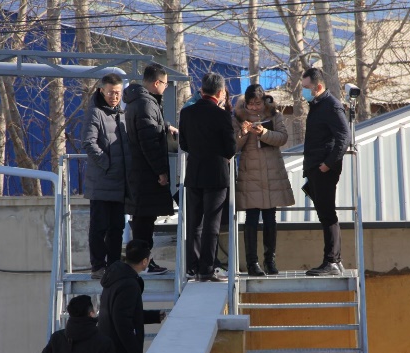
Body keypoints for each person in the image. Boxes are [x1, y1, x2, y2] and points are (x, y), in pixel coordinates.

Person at [179, 73, 236, 282]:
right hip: (216, 174)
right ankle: (206, 269)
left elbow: (183, 144)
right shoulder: (222, 115)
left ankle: (191, 267)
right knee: (212, 223)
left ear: (202, 90)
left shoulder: (187, 113)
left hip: (194, 172)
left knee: (194, 223)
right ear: (220, 93)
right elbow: (231, 148)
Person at [232, 84, 295, 276]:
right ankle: (252, 263)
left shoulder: (274, 115)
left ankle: (270, 260)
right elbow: (233, 146)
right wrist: (243, 133)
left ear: (263, 101)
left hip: (271, 172)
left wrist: (263, 133)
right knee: (251, 218)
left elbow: (283, 138)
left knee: (270, 218)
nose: (254, 107)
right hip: (250, 174)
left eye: (257, 104)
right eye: (250, 104)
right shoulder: (237, 117)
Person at [123, 63, 177, 275]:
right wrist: (161, 171)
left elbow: (149, 127)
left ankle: (142, 261)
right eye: (164, 83)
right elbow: (149, 141)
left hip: (139, 172)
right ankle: (142, 263)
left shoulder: (138, 102)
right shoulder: (146, 104)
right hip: (146, 174)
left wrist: (165, 126)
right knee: (144, 221)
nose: (165, 87)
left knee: (142, 219)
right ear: (156, 83)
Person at [98, 239, 166, 353]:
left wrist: (154, 316)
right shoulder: (129, 283)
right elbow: (122, 321)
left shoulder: (117, 276)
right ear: (144, 261)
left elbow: (124, 313)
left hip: (110, 346)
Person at [301, 67, 351, 276]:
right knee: (325, 213)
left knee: (327, 214)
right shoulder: (318, 105)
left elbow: (344, 137)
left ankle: (331, 261)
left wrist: (328, 163)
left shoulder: (331, 105)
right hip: (315, 167)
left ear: (318, 86)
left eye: (306, 87)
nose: (303, 91)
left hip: (324, 169)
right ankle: (334, 260)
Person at [82, 73, 131, 279]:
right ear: (102, 90)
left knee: (116, 227)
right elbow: (88, 142)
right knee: (99, 227)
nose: (114, 96)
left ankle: (114, 265)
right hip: (102, 181)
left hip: (119, 182)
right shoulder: (95, 113)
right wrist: (107, 164)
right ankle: (98, 266)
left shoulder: (121, 113)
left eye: (118, 93)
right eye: (111, 92)